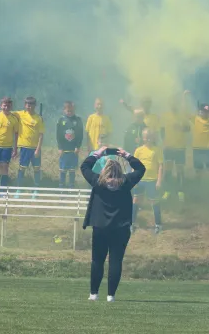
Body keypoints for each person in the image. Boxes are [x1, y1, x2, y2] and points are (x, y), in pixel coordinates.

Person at [80, 146, 145, 303]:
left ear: (105, 170)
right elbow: (141, 168)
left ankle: (93, 294)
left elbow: (84, 166)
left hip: (100, 227)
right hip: (120, 228)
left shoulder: (97, 181)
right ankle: (110, 296)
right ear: (120, 170)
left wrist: (98, 153)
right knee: (115, 261)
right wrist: (127, 155)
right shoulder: (126, 182)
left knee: (97, 260)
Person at [0, 96, 44, 197]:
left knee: (36, 169)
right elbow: (7, 111)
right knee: (22, 169)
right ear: (25, 105)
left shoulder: (39, 118)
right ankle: (19, 189)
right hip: (24, 148)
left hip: (35, 149)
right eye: (27, 105)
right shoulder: (20, 114)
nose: (29, 107)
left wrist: (38, 149)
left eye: (31, 105)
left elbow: (41, 135)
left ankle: (36, 190)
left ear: (35, 106)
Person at [132, 128, 164, 234]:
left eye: (150, 136)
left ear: (153, 137)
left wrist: (159, 180)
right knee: (136, 200)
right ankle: (131, 224)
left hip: (152, 180)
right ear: (143, 138)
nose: (148, 138)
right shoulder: (138, 150)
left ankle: (158, 224)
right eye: (146, 136)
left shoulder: (157, 150)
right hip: (140, 179)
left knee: (154, 201)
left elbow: (161, 166)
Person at [160, 92, 190, 201]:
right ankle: (167, 191)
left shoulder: (182, 115)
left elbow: (188, 128)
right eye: (172, 103)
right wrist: (164, 142)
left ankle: (180, 191)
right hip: (168, 147)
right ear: (169, 104)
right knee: (167, 170)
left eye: (175, 103)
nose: (173, 105)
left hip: (180, 147)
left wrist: (181, 128)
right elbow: (162, 131)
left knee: (180, 170)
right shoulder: (165, 116)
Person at [56, 101, 83, 189]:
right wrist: (60, 147)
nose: (69, 112)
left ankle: (71, 186)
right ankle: (61, 187)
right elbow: (58, 135)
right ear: (64, 110)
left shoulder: (78, 120)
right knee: (63, 170)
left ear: (74, 110)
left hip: (73, 150)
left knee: (72, 170)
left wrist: (78, 146)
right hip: (64, 150)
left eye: (71, 110)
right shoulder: (61, 120)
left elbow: (80, 134)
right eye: (68, 110)